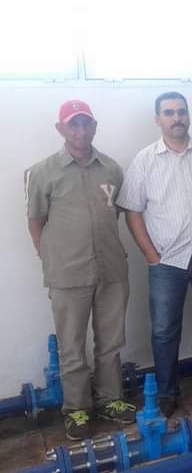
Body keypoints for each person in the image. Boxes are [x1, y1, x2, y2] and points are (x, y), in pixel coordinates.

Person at [117, 91, 192, 418]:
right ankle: (167, 391)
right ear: (157, 119)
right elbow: (132, 211)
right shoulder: (145, 160)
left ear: (189, 115)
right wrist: (150, 255)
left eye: (181, 111)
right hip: (166, 261)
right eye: (169, 112)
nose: (176, 118)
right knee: (164, 330)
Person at [25, 100, 135, 440]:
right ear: (60, 129)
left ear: (95, 126)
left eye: (86, 123)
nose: (81, 130)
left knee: (111, 341)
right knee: (71, 345)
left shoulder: (112, 169)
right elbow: (36, 222)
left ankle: (109, 400)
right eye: (73, 124)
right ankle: (76, 409)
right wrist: (49, 257)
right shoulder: (43, 172)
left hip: (111, 269)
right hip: (67, 273)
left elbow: (115, 214)